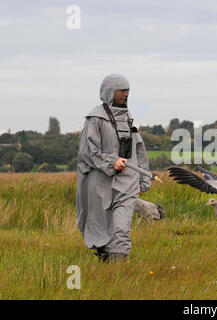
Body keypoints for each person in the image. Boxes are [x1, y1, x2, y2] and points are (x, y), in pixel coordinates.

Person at [76, 74, 151, 262]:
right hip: (100, 185)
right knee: (101, 227)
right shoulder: (95, 119)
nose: (126, 95)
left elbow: (138, 149)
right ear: (110, 92)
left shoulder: (128, 118)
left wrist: (143, 179)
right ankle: (104, 258)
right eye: (122, 91)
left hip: (127, 184)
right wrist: (112, 162)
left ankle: (117, 270)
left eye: (128, 91)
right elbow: (89, 152)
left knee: (121, 228)